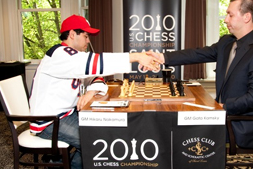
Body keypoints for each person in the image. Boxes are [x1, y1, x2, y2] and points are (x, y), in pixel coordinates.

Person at [29, 14, 158, 168]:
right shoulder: (60, 55)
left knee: (101, 132)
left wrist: (91, 92)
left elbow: (97, 77)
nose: (88, 40)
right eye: (86, 36)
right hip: (50, 122)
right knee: (95, 141)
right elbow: (97, 64)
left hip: (67, 115)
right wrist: (136, 56)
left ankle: (61, 163)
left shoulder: (73, 57)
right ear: (71, 34)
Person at [147, 0, 253, 148]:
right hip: (224, 117)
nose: (226, 19)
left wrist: (224, 107)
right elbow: (197, 53)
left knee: (186, 134)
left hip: (242, 125)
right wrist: (162, 57)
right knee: (179, 129)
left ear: (247, 17)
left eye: (230, 14)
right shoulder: (227, 42)